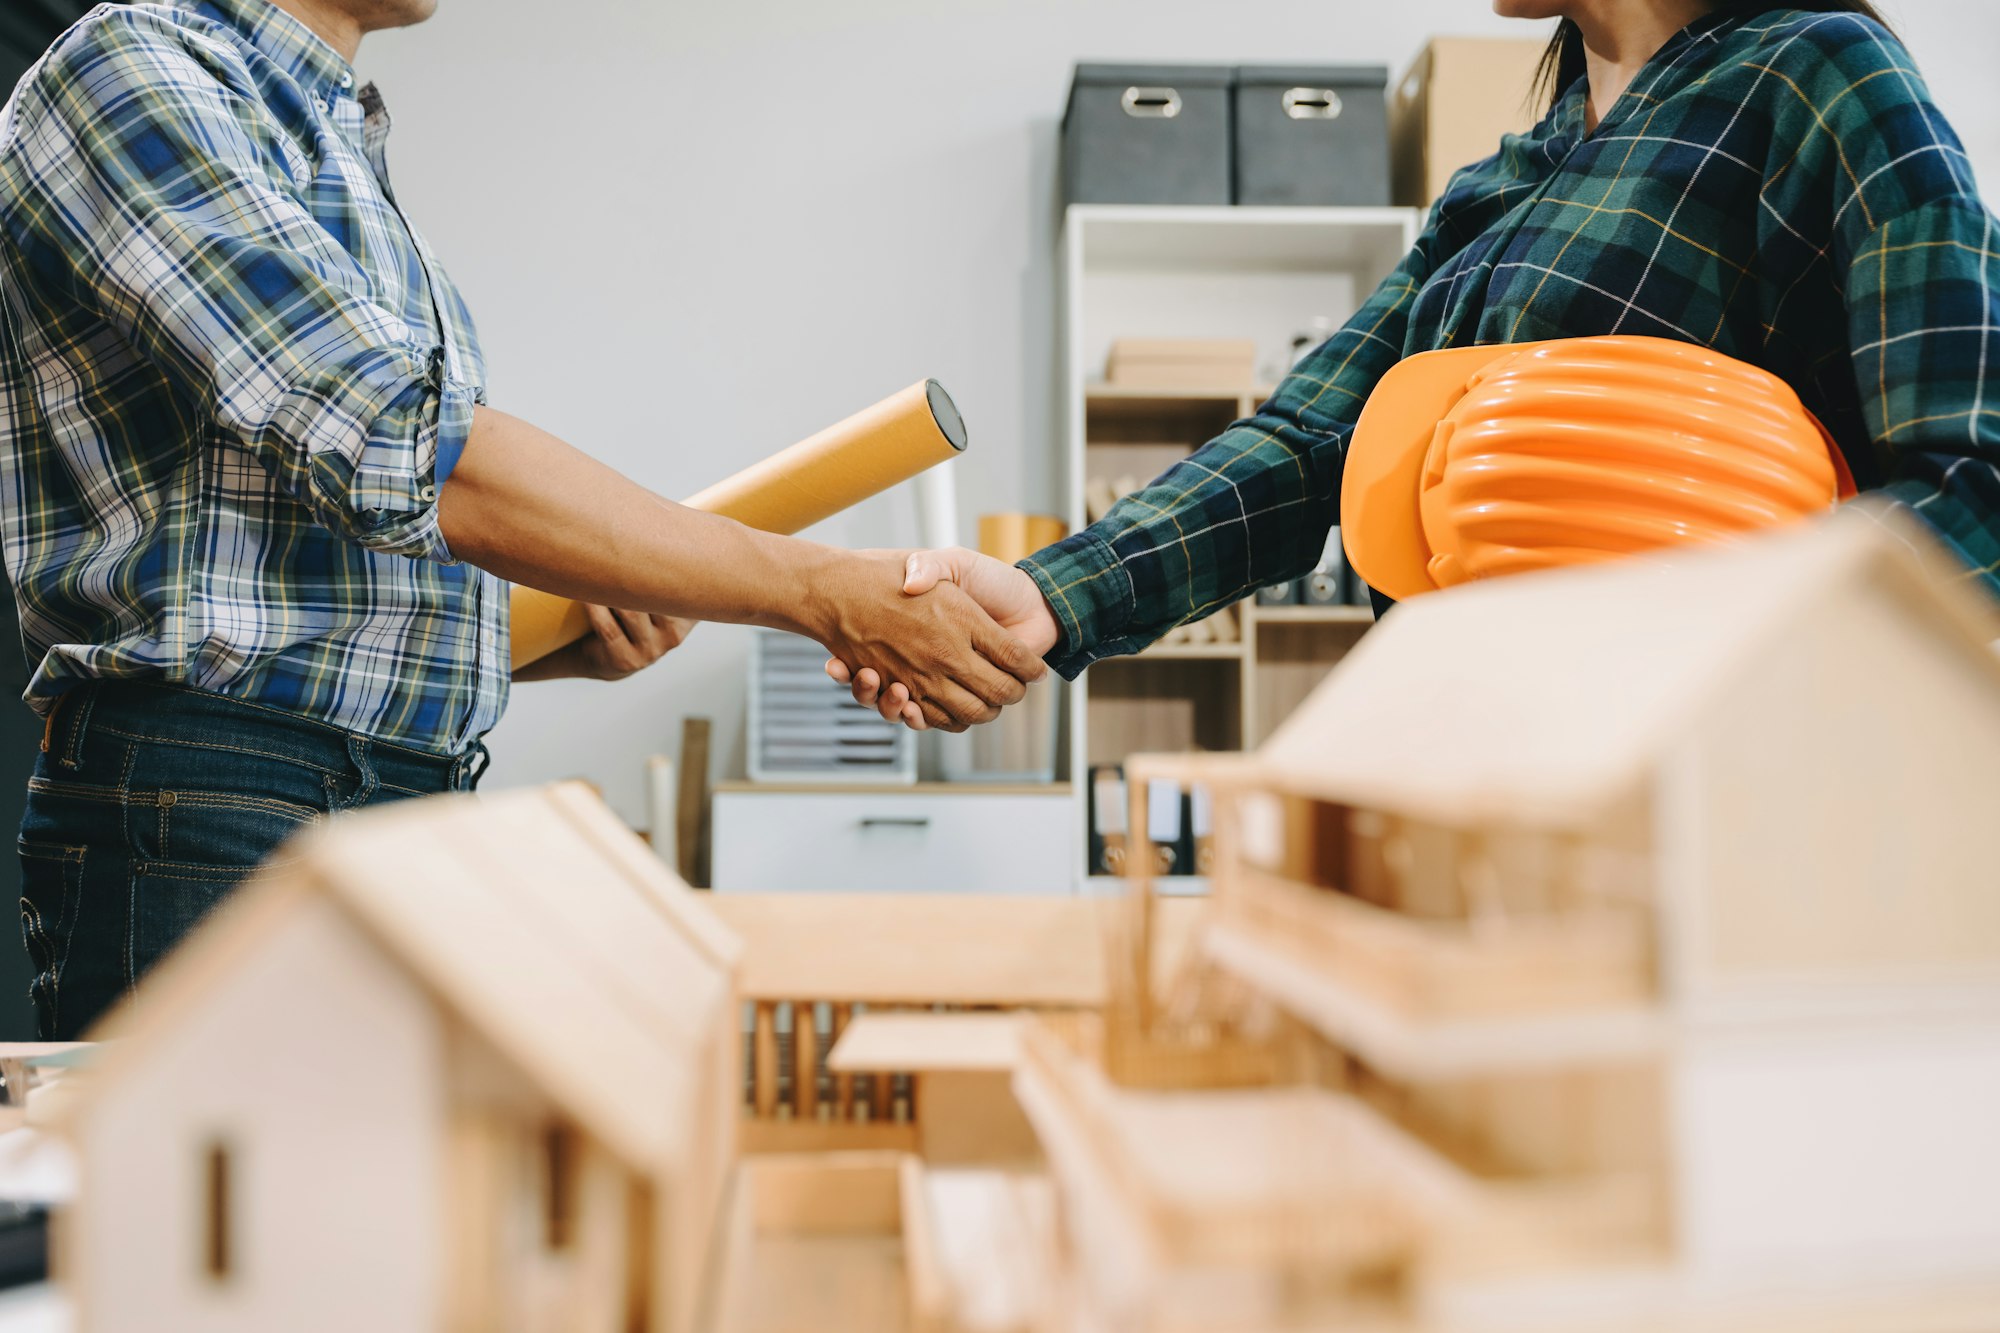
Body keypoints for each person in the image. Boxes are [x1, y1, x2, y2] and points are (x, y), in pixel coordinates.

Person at [0, 0, 1044, 1039]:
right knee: (228, 1205)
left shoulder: (331, 136)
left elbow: (292, 578)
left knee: (392, 1204)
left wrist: (532, 644)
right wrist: (819, 591)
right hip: (220, 809)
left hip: (379, 799)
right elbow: (400, 443)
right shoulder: (133, 70)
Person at [831, 0, 2000, 727]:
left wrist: (1712, 685)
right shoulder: (1497, 187)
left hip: (1706, 814)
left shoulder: (1820, 75)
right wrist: (1047, 595)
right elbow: (1305, 450)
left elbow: (1971, 481)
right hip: (1471, 770)